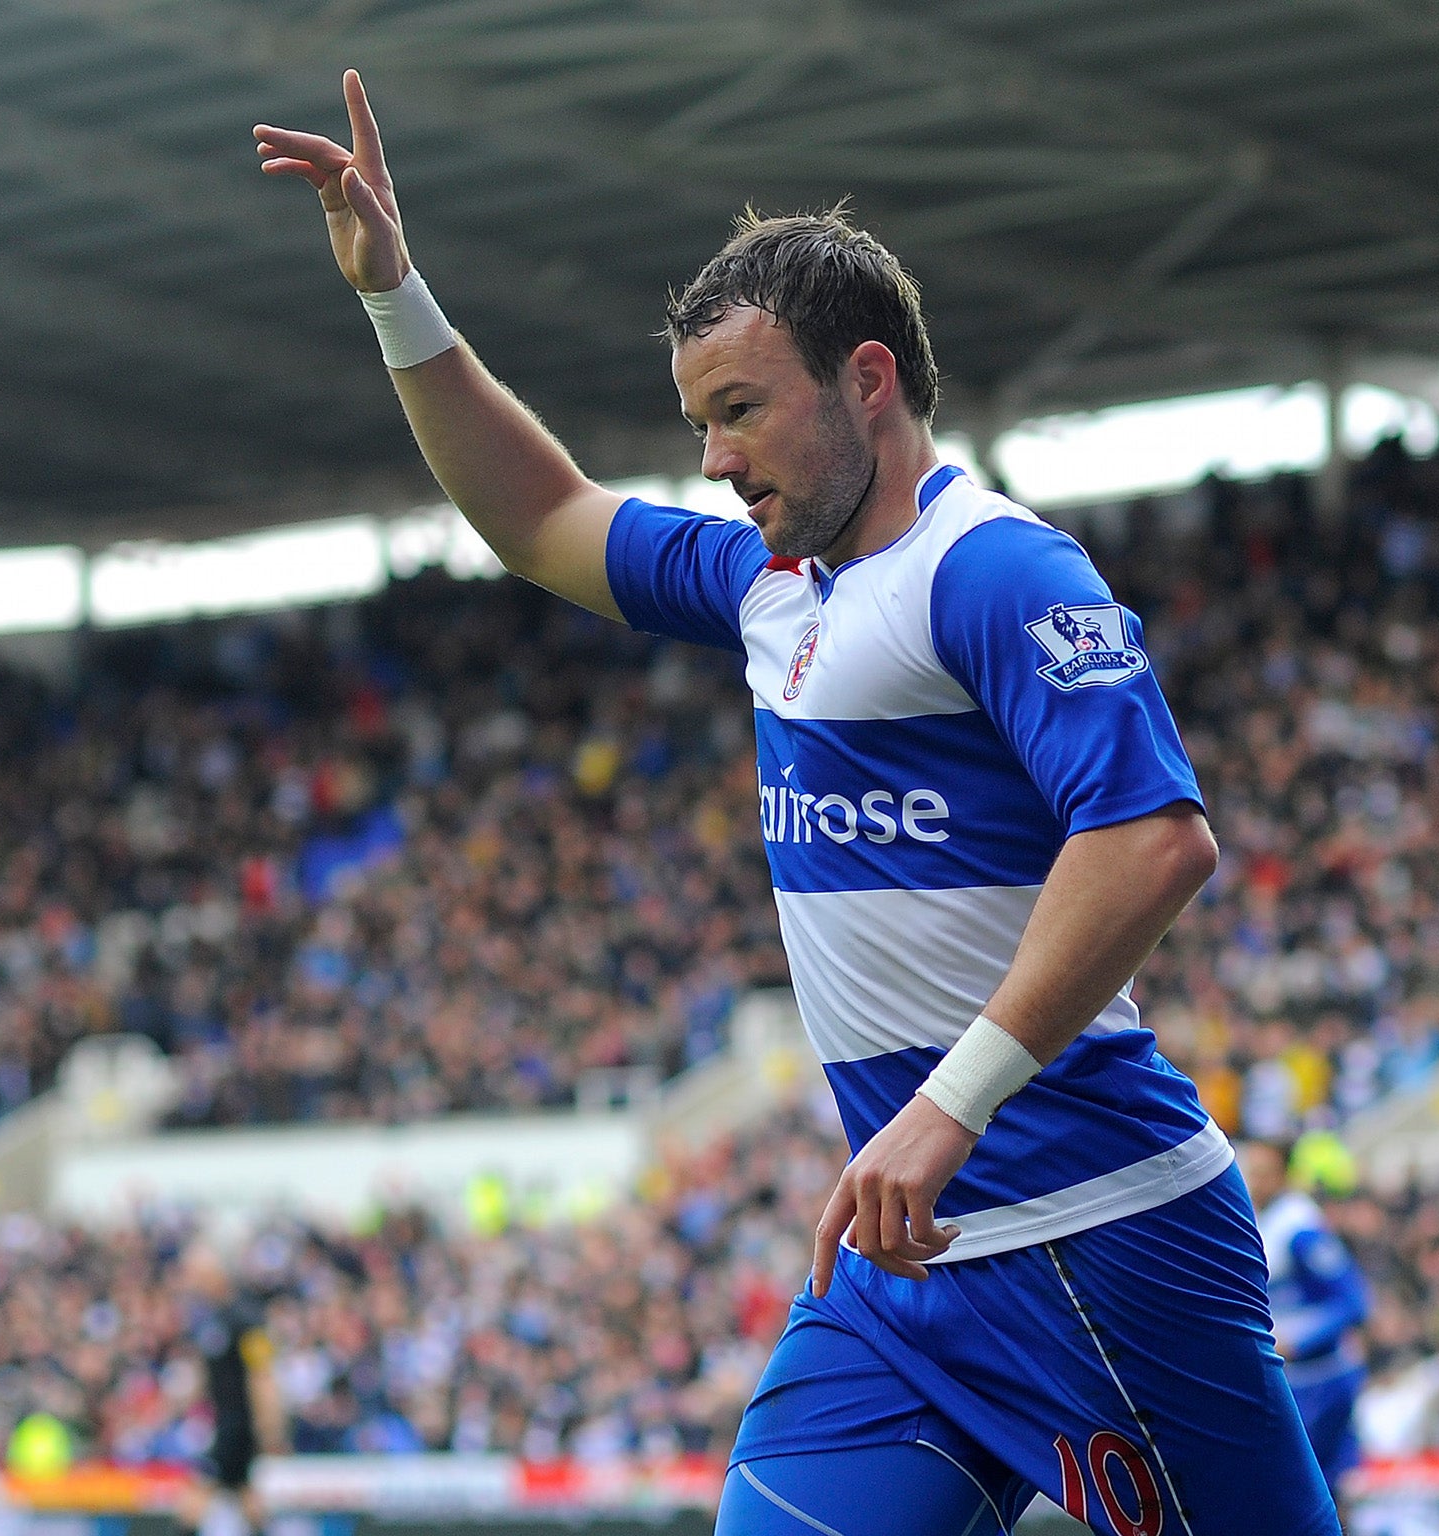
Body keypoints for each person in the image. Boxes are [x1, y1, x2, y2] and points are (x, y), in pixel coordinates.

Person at [255, 73, 1338, 1535]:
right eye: (701, 421)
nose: (715, 459)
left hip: (1102, 1237)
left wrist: (944, 1111)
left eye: (742, 411)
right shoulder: (773, 584)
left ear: (868, 380)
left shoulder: (997, 570)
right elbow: (541, 517)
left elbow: (1152, 837)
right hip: (896, 1276)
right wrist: (395, 294)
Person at [1239, 1140, 1371, 1501]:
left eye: (1264, 1173)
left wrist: (1300, 1339)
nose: (1254, 1181)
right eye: (1251, 1172)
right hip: (1294, 1382)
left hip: (1321, 1380)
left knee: (1310, 1494)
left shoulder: (1300, 1227)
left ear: (1283, 1175)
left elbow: (1354, 1301)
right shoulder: (1260, 1219)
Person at [177, 1246, 284, 1536]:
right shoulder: (211, 1318)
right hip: (224, 1423)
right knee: (247, 1497)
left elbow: (262, 1374)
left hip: (238, 1426)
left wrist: (270, 1427)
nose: (193, 1282)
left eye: (197, 1274)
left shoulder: (247, 1320)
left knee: (197, 1493)